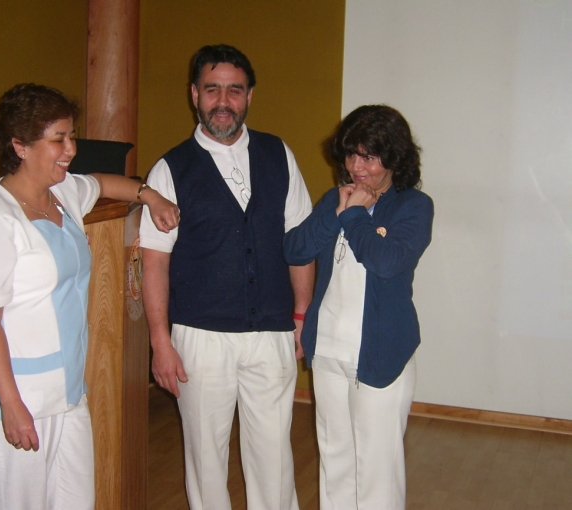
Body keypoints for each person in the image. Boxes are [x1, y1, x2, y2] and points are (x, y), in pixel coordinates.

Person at [0, 83, 179, 510]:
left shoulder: (61, 194)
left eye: (71, 136)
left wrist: (151, 195)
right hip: (15, 396)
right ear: (19, 146)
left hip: (67, 391)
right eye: (59, 139)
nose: (71, 148)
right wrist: (11, 405)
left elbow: (104, 182)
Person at [140, 44, 314, 510]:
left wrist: (301, 314)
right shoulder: (170, 169)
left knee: (274, 456)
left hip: (272, 331)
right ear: (194, 94)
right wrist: (160, 340)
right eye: (212, 89)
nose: (223, 101)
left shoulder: (278, 154)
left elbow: (299, 243)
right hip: (200, 337)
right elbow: (154, 263)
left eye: (234, 90)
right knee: (205, 458)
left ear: (249, 96)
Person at [283, 105, 434, 509]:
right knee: (335, 463)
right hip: (328, 351)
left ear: (395, 158)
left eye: (369, 157)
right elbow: (295, 249)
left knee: (376, 473)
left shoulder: (414, 206)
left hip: (381, 355)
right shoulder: (336, 199)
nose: (356, 167)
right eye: (351, 155)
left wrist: (353, 216)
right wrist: (336, 213)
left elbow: (386, 262)